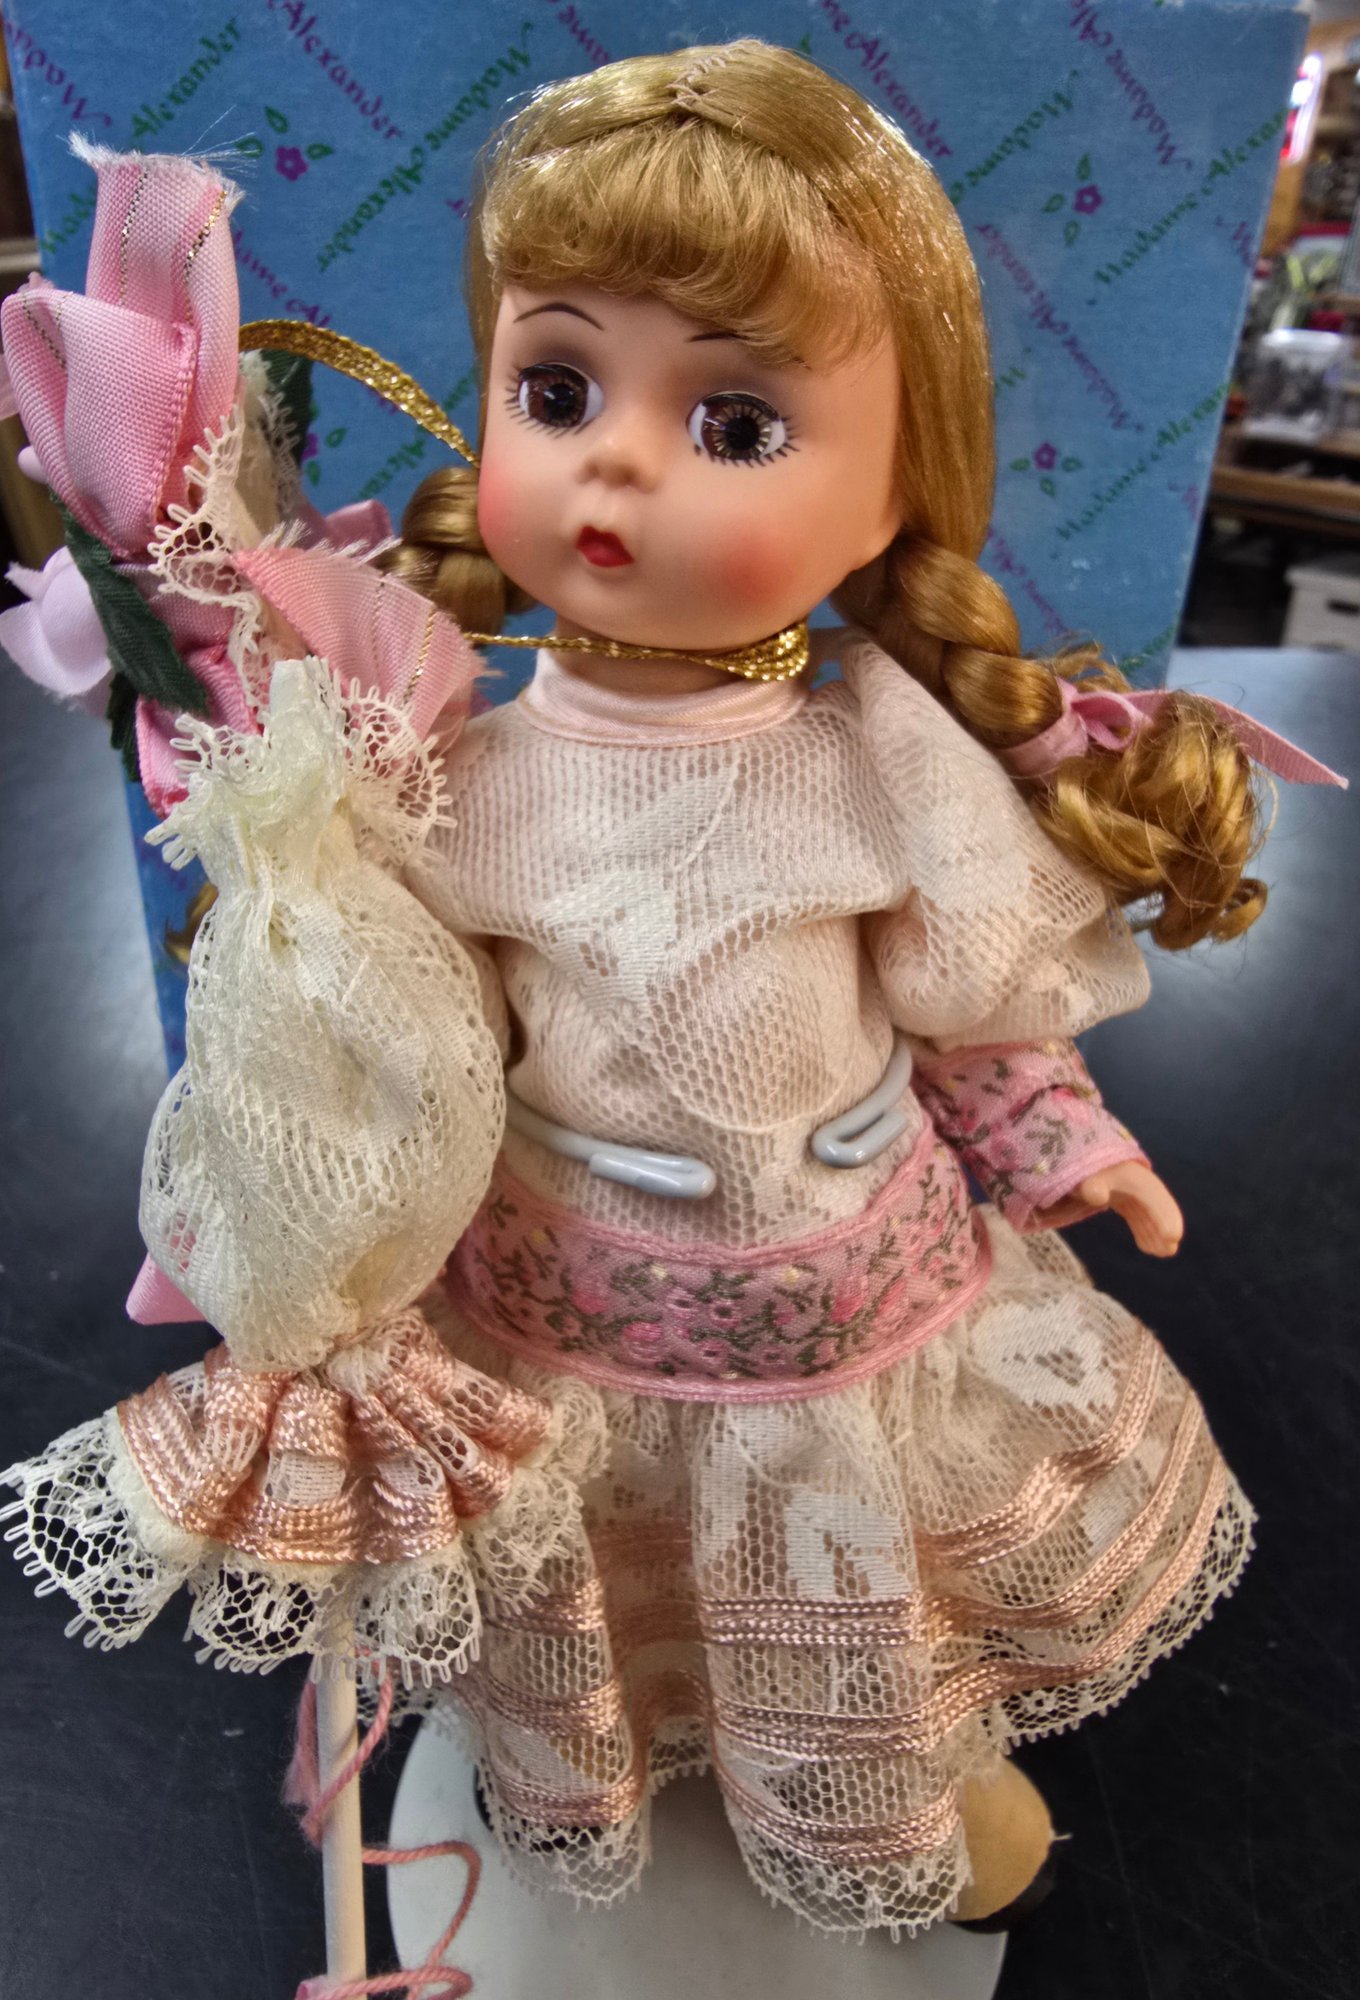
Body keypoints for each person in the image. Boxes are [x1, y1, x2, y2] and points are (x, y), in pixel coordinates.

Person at [10, 39, 1328, 1945]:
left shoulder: (880, 759)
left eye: (735, 421)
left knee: (853, 1592)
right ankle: (614, 1757)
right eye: (557, 389)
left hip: (840, 1315)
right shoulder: (455, 772)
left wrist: (1061, 1143)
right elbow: (412, 1039)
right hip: (569, 1314)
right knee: (611, 1586)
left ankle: (891, 1771)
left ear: (893, 494)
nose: (616, 460)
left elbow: (966, 1008)